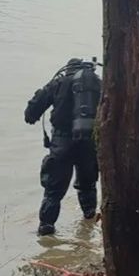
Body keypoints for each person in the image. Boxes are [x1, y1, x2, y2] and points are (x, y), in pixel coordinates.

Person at [24, 58, 102, 236]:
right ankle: (88, 225)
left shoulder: (58, 83)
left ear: (67, 70)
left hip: (62, 143)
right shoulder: (98, 85)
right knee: (88, 185)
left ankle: (46, 230)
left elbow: (31, 113)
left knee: (53, 192)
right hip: (89, 143)